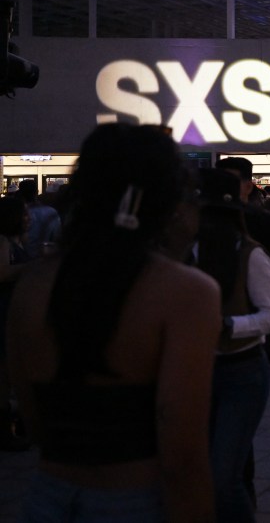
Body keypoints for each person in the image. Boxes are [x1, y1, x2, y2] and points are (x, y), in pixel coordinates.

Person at [6, 123, 221, 522]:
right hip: (138, 497)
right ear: (169, 201)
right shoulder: (186, 293)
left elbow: (34, 422)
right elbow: (183, 454)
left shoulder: (33, 286)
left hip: (48, 494)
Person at [195, 167, 270, 522]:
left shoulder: (251, 254)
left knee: (224, 474)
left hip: (242, 370)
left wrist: (230, 325)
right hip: (198, 370)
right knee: (206, 468)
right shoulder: (188, 251)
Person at [0, 195, 31, 451]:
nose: (28, 218)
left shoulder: (16, 240)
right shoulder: (3, 241)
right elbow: (2, 273)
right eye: (24, 214)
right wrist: (31, 266)